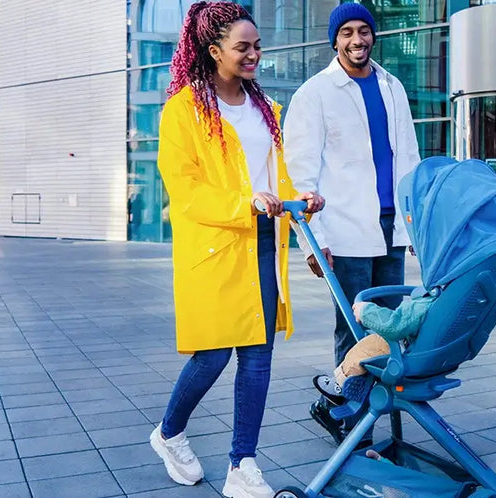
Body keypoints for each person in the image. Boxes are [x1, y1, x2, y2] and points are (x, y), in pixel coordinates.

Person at [149, 2, 323, 495]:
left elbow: (277, 175)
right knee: (211, 356)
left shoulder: (266, 109)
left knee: (258, 357)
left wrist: (304, 199)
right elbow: (185, 189)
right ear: (214, 51)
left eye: (257, 46)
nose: (254, 55)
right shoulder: (183, 110)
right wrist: (244, 202)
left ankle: (242, 465)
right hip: (215, 248)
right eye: (242, 47)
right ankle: (169, 433)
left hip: (263, 244)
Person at [284, 2, 422, 448]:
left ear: (373, 35)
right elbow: (300, 174)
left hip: (391, 230)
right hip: (344, 233)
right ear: (335, 41)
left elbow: (409, 159)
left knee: (388, 330)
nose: (357, 39)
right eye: (347, 32)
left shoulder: (392, 86)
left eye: (364, 30)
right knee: (355, 328)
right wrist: (312, 241)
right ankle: (353, 426)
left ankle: (341, 409)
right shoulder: (315, 93)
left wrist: (416, 226)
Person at [312, 296, 435, 406]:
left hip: (407, 358)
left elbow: (393, 324)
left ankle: (339, 384)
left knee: (366, 347)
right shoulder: (444, 300)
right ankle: (358, 385)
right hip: (434, 361)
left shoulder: (423, 304)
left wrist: (365, 311)